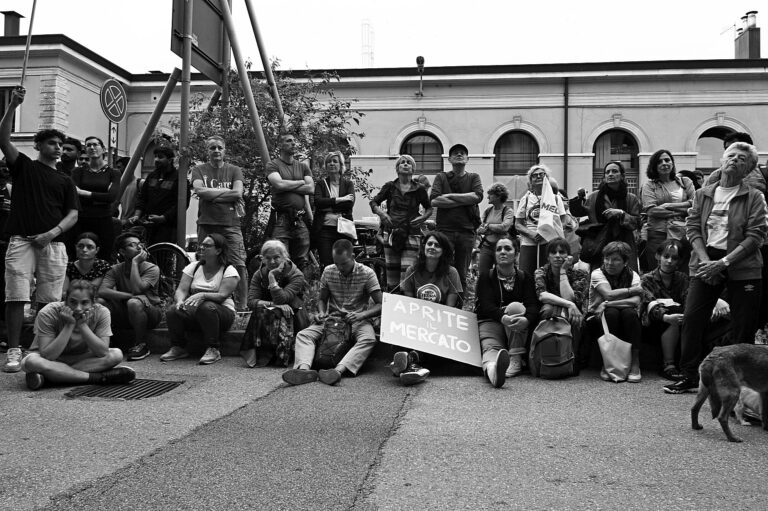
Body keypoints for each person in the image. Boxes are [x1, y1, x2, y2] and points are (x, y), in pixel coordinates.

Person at [665, 142, 768, 394]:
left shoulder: (755, 197)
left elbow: (756, 236)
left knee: (743, 325)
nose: (735, 160)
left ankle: (738, 384)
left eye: (742, 159)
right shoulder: (703, 194)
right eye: (731, 155)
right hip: (705, 261)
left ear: (748, 169)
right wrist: (705, 262)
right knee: (692, 319)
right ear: (722, 161)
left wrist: (723, 263)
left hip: (742, 265)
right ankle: (689, 375)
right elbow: (692, 228)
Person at [0, 86, 79, 373]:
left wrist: (51, 234)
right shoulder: (24, 166)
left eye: (60, 144)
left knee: (49, 301)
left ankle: (41, 348)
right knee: (16, 296)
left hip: (53, 244)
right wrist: (13, 105)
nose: (58, 147)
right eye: (52, 143)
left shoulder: (66, 180)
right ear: (38, 146)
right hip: (22, 240)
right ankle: (13, 350)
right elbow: (3, 138)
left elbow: (73, 214)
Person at [282, 239, 382, 386]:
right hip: (332, 319)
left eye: (344, 263)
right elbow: (322, 299)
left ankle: (338, 371)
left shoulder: (367, 273)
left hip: (358, 320)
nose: (340, 267)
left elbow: (381, 304)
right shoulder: (329, 271)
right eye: (337, 263)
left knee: (369, 339)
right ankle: (304, 370)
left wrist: (362, 315)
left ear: (353, 257)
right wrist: (321, 312)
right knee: (304, 335)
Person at [20, 280, 135, 390]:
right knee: (32, 362)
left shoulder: (102, 312)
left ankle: (51, 376)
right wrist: (69, 325)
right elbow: (48, 356)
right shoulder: (48, 312)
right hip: (50, 360)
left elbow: (102, 352)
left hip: (82, 359)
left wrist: (82, 325)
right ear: (65, 300)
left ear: (93, 303)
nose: (78, 308)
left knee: (116, 354)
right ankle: (97, 378)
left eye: (84, 303)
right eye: (73, 302)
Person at [390, 231, 462, 386]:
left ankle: (409, 363)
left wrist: (434, 325)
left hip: (441, 324)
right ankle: (413, 366)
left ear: (443, 250)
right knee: (399, 338)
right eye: (429, 244)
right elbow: (409, 305)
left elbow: (450, 309)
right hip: (417, 322)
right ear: (423, 247)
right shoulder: (411, 271)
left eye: (437, 245)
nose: (432, 247)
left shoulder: (451, 272)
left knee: (443, 350)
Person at [160, 233, 240, 366]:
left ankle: (213, 348)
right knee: (173, 310)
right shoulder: (194, 267)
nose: (201, 248)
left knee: (206, 307)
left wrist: (202, 295)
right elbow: (181, 290)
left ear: (218, 250)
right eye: (201, 245)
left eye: (207, 246)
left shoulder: (229, 270)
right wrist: (179, 301)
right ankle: (178, 347)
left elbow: (222, 295)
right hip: (196, 314)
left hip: (221, 315)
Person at [190, 135, 248, 309]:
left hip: (230, 224)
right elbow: (199, 191)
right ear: (207, 151)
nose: (216, 151)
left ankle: (243, 306)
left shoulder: (234, 170)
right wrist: (225, 194)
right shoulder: (199, 170)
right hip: (206, 223)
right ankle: (200, 299)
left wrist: (212, 196)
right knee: (204, 261)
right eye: (212, 147)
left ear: (224, 150)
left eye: (219, 148)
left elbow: (237, 193)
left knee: (239, 263)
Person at [475, 236, 538, 387]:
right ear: (495, 255)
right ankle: (494, 372)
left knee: (515, 307)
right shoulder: (486, 277)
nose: (502, 252)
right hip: (491, 322)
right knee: (490, 349)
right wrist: (503, 318)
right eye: (499, 249)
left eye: (507, 248)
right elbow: (486, 306)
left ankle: (515, 358)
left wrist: (527, 320)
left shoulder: (525, 277)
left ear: (516, 254)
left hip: (517, 328)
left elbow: (533, 305)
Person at [240, 239, 307, 368]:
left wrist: (271, 277)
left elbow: (282, 299)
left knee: (280, 312)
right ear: (263, 259)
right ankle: (263, 354)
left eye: (276, 257)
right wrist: (273, 305)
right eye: (268, 258)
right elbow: (251, 301)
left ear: (285, 257)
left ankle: (284, 354)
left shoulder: (296, 274)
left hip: (293, 311)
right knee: (263, 310)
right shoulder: (259, 275)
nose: (272, 262)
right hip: (270, 310)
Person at [370, 155, 432, 290]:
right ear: (397, 168)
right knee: (391, 275)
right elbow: (373, 202)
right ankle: (393, 300)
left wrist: (422, 218)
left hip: (412, 233)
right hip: (391, 234)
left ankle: (407, 300)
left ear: (413, 169)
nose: (405, 164)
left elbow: (429, 208)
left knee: (407, 274)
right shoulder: (390, 187)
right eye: (402, 162)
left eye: (409, 162)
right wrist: (382, 214)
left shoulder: (420, 189)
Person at [98, 233, 163, 361]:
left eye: (139, 244)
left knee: (134, 303)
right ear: (122, 251)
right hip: (126, 311)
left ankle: (141, 345)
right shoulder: (115, 269)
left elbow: (137, 289)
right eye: (132, 245)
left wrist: (135, 263)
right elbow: (102, 290)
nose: (139, 248)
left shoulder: (152, 268)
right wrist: (130, 296)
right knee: (100, 302)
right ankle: (105, 340)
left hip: (150, 312)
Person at [586, 241, 644, 382]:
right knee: (612, 313)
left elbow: (635, 302)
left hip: (623, 315)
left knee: (630, 314)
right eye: (607, 258)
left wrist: (606, 304)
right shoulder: (597, 273)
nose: (610, 263)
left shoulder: (633, 275)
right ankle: (608, 362)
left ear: (625, 262)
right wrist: (630, 290)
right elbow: (608, 294)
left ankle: (635, 362)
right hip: (597, 318)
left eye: (616, 259)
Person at [430, 143, 482, 295]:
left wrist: (449, 196)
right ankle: (441, 302)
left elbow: (477, 197)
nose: (459, 155)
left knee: (461, 274)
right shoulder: (441, 177)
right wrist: (465, 200)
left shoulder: (473, 177)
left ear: (467, 159)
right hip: (444, 231)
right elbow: (434, 200)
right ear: (449, 159)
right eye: (455, 153)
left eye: (462, 153)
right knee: (441, 269)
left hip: (467, 232)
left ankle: (458, 305)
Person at [570, 161, 642, 271]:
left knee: (626, 275)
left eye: (614, 171)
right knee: (599, 276)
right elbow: (578, 212)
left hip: (624, 242)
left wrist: (621, 214)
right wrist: (579, 198)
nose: (610, 174)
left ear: (622, 176)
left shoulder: (631, 198)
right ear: (604, 177)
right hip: (599, 243)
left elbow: (636, 222)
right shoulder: (594, 196)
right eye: (607, 172)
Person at [640, 239, 690, 381]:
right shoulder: (647, 279)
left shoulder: (682, 278)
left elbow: (688, 301)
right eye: (666, 256)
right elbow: (647, 302)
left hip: (679, 320)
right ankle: (668, 365)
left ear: (679, 261)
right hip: (653, 323)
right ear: (658, 256)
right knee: (672, 310)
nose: (669, 261)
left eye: (674, 258)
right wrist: (666, 317)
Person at [265, 133, 314, 274]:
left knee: (302, 259)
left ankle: (301, 287)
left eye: (294, 141)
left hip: (299, 218)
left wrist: (287, 185)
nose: (293, 143)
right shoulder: (273, 165)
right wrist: (300, 182)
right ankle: (280, 287)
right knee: (280, 258)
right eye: (289, 141)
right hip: (281, 218)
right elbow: (279, 184)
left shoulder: (303, 167)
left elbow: (310, 189)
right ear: (280, 145)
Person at [533, 237, 588, 362]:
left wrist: (563, 271)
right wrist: (569, 305)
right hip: (553, 308)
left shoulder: (580, 273)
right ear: (548, 257)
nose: (557, 256)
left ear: (568, 256)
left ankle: (571, 359)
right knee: (547, 309)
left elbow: (571, 298)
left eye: (562, 252)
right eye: (553, 252)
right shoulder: (541, 271)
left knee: (575, 317)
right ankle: (546, 357)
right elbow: (542, 295)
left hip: (573, 311)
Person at [640, 150, 695, 270]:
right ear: (654, 166)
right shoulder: (649, 185)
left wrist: (668, 205)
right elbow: (651, 211)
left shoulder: (685, 182)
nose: (664, 163)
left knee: (681, 270)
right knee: (658, 271)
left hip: (682, 233)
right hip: (658, 233)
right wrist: (682, 211)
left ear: (672, 163)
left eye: (667, 160)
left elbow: (694, 204)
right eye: (659, 162)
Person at [71, 136, 121, 261]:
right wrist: (100, 195)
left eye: (95, 144)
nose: (92, 147)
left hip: (104, 219)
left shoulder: (113, 173)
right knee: (79, 255)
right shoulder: (78, 171)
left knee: (104, 256)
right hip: (82, 218)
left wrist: (83, 192)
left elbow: (111, 197)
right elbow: (74, 193)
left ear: (103, 149)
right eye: (88, 145)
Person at [129, 146, 189, 246]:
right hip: (147, 225)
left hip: (167, 227)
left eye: (160, 157)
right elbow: (142, 197)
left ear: (170, 160)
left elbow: (182, 204)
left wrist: (163, 217)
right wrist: (137, 215)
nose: (156, 160)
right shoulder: (151, 176)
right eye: (155, 157)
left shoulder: (179, 179)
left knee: (161, 253)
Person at [515, 165, 567, 275]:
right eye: (535, 175)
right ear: (531, 181)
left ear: (546, 178)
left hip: (549, 243)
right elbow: (518, 224)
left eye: (542, 174)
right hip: (529, 243)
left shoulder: (556, 198)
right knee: (526, 275)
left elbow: (563, 221)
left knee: (548, 275)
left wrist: (547, 232)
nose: (538, 177)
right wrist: (531, 234)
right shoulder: (526, 199)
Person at [311, 151, 355, 267]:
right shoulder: (321, 184)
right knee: (326, 264)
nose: (331, 163)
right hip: (325, 230)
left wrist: (327, 206)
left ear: (341, 165)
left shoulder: (348, 184)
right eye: (329, 162)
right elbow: (318, 202)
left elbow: (349, 204)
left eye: (335, 161)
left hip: (344, 230)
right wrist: (339, 199)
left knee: (344, 263)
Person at [476, 182, 515, 277]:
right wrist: (496, 228)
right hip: (486, 247)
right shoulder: (488, 211)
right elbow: (479, 229)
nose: (487, 197)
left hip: (502, 248)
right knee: (483, 275)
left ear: (498, 196)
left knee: (503, 274)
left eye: (490, 195)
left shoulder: (508, 211)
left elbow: (504, 227)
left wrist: (488, 226)